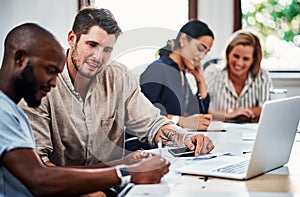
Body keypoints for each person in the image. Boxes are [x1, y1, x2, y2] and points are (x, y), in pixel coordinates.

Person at [18, 7, 214, 169]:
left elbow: (152, 123)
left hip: (114, 183)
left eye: (107, 49)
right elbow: (40, 167)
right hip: (66, 188)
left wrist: (187, 138)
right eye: (91, 44)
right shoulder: (43, 84)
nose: (98, 57)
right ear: (72, 38)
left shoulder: (118, 76)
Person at [0, 23, 170, 196]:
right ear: (20, 58)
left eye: (107, 50)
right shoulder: (3, 112)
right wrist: (127, 173)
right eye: (50, 71)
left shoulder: (11, 111)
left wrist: (122, 165)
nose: (53, 82)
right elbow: (40, 179)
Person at [140, 20, 214, 130]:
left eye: (206, 52)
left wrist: (200, 81)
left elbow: (198, 117)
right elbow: (143, 113)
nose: (202, 57)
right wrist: (180, 121)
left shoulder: (181, 74)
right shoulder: (158, 69)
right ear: (183, 39)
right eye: (200, 48)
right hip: (146, 144)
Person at [204, 30, 273, 123]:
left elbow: (266, 108)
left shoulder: (262, 76)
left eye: (246, 59)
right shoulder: (212, 73)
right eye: (236, 56)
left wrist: (244, 113)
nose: (239, 63)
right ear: (228, 54)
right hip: (219, 132)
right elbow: (200, 111)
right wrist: (229, 114)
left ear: (254, 59)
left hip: (250, 132)